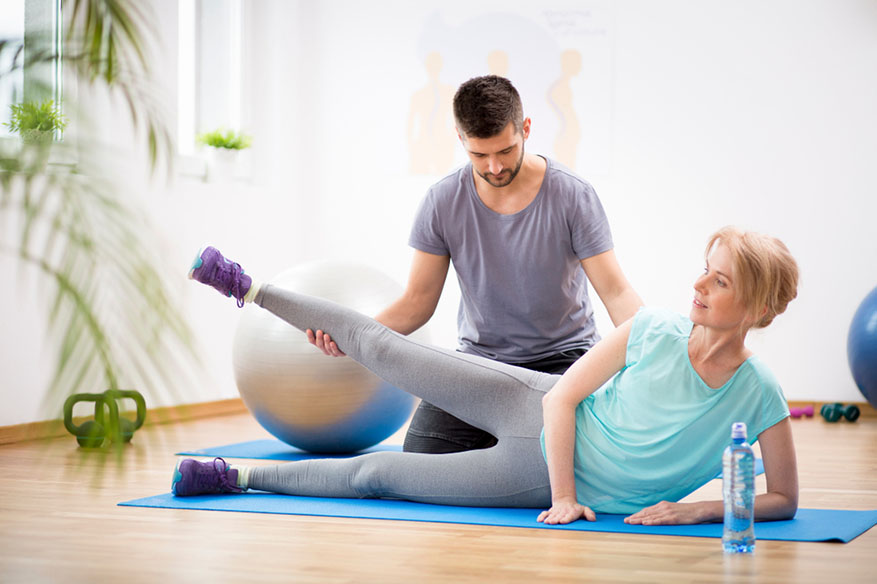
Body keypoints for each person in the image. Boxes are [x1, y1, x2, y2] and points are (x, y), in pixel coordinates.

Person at [175, 225, 799, 525]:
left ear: (760, 307)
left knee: (379, 475)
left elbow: (783, 500)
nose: (698, 284)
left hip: (528, 477)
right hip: (537, 408)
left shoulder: (759, 392)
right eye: (703, 269)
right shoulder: (654, 328)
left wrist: (694, 512)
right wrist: (564, 499)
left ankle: (233, 476)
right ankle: (245, 286)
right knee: (386, 348)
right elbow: (563, 402)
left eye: (720, 281)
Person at [307, 75, 644, 454]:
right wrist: (354, 337)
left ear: (526, 129)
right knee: (423, 454)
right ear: (460, 139)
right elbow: (417, 302)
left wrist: (653, 346)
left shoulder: (573, 195)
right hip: (480, 364)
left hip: (564, 361)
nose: (495, 167)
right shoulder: (442, 201)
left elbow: (615, 291)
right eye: (479, 155)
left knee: (565, 458)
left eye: (506, 151)